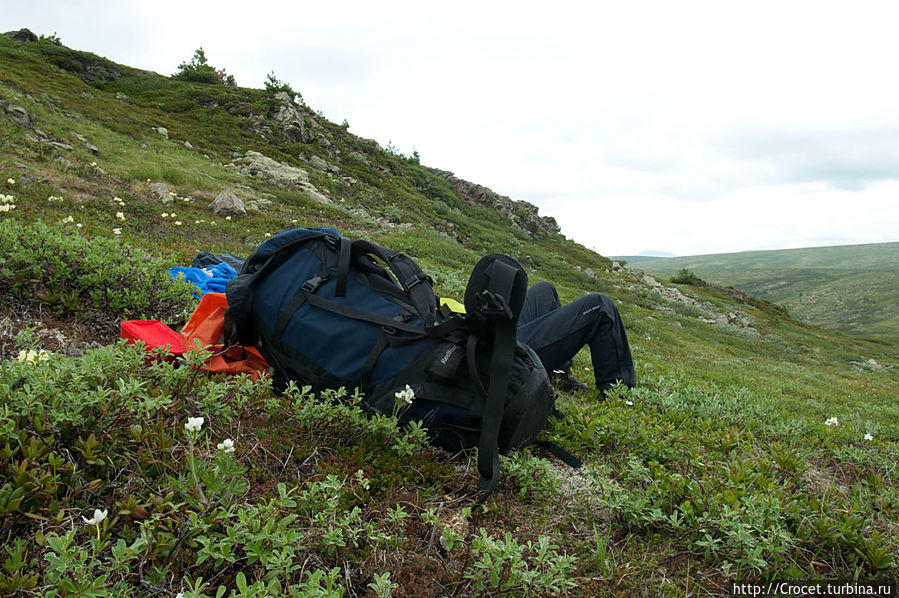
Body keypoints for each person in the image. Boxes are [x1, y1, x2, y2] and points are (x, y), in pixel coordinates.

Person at [517, 281, 636, 393]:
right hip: (510, 355)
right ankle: (618, 391)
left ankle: (558, 373)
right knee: (600, 304)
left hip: (504, 335)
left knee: (544, 289)